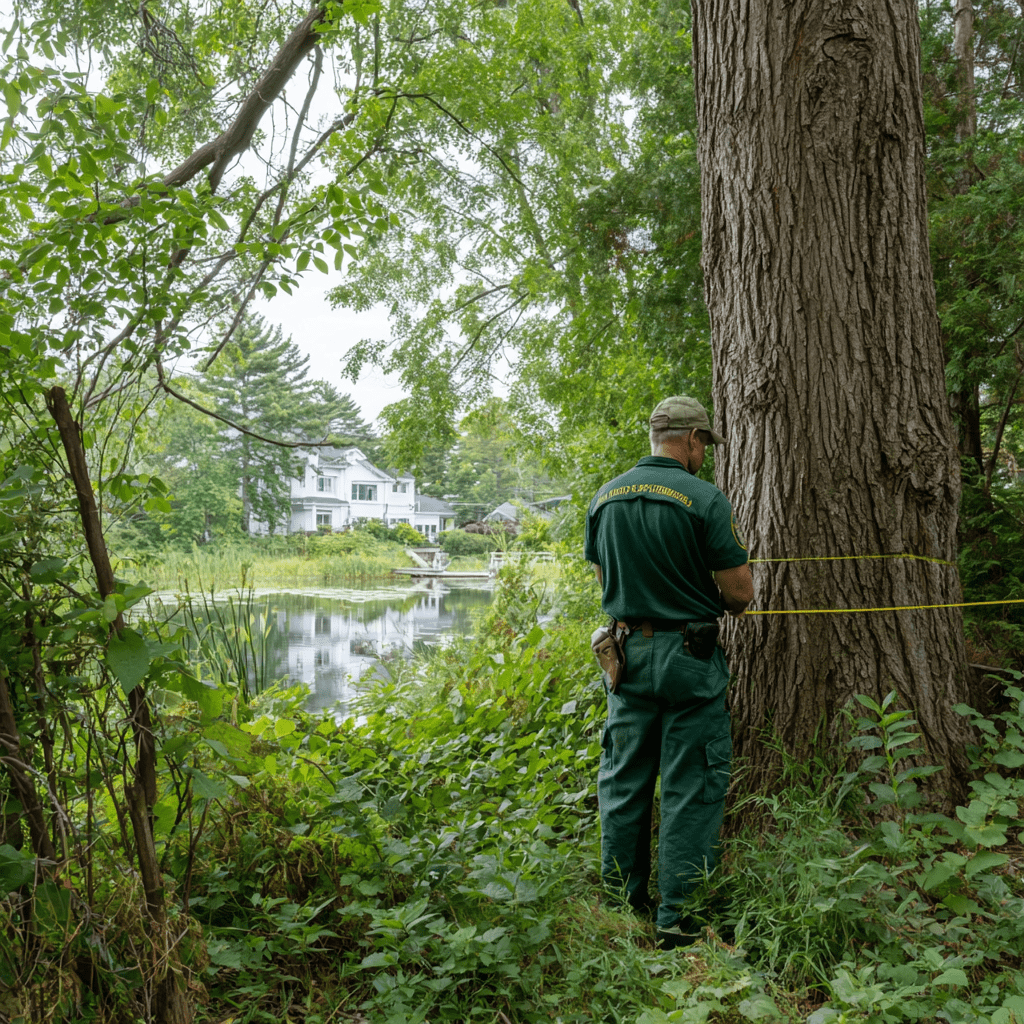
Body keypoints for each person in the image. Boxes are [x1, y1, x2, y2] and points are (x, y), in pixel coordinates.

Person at [584, 395, 753, 949]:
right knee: (692, 786)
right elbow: (738, 594)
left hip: (626, 658)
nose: (705, 453)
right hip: (688, 662)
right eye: (705, 443)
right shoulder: (703, 498)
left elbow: (607, 571)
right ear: (691, 439)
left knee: (623, 782)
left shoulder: (604, 497)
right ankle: (678, 920)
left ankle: (619, 909)